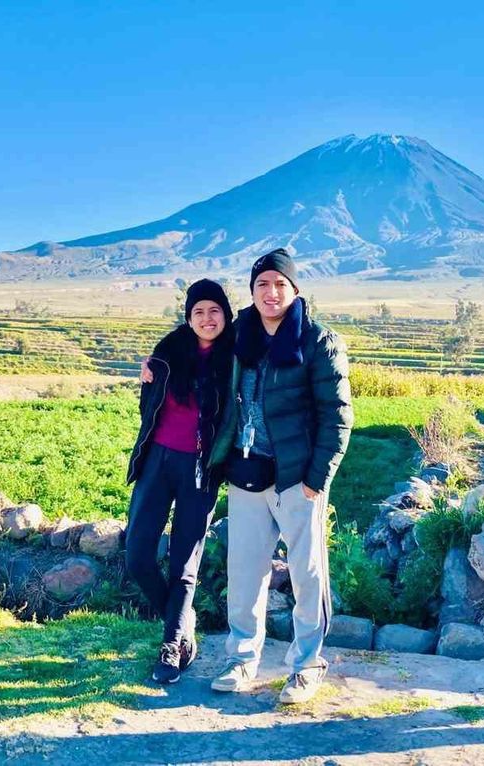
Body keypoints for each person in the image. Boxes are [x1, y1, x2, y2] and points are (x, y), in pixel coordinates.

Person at [208, 248, 353, 705]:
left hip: (297, 478)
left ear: (295, 290)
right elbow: (193, 345)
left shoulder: (318, 341)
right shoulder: (238, 335)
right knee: (244, 573)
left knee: (307, 574)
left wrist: (317, 479)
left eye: (279, 284)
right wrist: (155, 364)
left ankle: (306, 666)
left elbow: (337, 417)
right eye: (262, 284)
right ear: (252, 291)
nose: (271, 293)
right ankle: (241, 659)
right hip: (246, 473)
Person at [125, 278, 235, 685]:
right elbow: (148, 407)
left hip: (200, 470)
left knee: (184, 562)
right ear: (188, 318)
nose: (207, 318)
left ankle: (173, 645)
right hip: (157, 462)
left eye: (214, 310)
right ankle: (183, 621)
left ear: (226, 315)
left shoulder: (237, 357)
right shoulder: (167, 353)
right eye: (198, 311)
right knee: (137, 556)